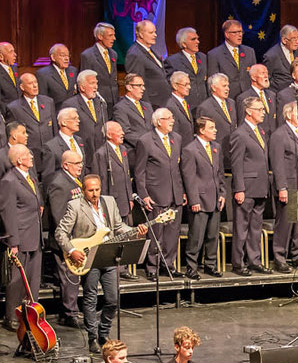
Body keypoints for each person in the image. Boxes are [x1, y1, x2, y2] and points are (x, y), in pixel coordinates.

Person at [56, 174, 143, 352]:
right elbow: (60, 232)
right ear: (83, 191)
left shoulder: (109, 202)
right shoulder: (75, 206)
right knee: (90, 298)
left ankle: (103, 333)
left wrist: (135, 231)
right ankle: (92, 337)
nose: (95, 194)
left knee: (112, 299)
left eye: (97, 189)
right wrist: (72, 250)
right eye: (90, 190)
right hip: (88, 256)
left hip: (108, 255)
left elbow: (119, 227)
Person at [135, 108, 187, 281]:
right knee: (156, 233)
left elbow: (179, 168)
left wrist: (182, 191)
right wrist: (144, 195)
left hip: (175, 193)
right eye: (168, 118)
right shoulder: (146, 141)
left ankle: (168, 265)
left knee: (172, 233)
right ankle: (153, 267)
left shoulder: (177, 139)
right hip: (156, 194)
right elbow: (139, 171)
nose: (172, 121)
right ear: (158, 122)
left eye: (172, 118)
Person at [0, 144, 44, 331]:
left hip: (34, 234)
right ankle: (11, 317)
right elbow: (7, 212)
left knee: (33, 279)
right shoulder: (9, 181)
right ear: (19, 160)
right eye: (28, 154)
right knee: (17, 280)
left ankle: (30, 314)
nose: (32, 157)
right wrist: (13, 242)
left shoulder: (30, 176)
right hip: (21, 237)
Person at [230, 96, 275, 275]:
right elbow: (236, 163)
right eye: (259, 109)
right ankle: (238, 263)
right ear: (249, 111)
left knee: (256, 228)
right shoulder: (240, 134)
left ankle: (254, 260)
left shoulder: (260, 131)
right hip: (247, 188)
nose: (263, 113)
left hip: (260, 186)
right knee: (241, 228)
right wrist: (239, 188)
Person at [180, 117, 226, 279]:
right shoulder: (190, 150)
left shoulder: (216, 147)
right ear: (201, 130)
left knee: (213, 235)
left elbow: (219, 174)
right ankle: (191, 267)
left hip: (214, 199)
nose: (215, 130)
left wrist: (222, 193)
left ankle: (210, 265)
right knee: (196, 236)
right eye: (212, 127)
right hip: (199, 200)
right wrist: (194, 200)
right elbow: (189, 177)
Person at [270, 101, 298, 271]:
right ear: (289, 114)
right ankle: (280, 257)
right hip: (288, 185)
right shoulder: (279, 135)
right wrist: (282, 187)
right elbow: (277, 163)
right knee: (286, 223)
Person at [46, 150, 86, 328]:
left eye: (80, 162)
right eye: (76, 163)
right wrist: (69, 243)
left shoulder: (73, 180)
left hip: (78, 239)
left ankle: (72, 310)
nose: (80, 166)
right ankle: (69, 313)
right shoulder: (59, 184)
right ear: (65, 165)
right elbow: (59, 215)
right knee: (69, 277)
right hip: (65, 241)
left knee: (74, 276)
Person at [7, 73, 58, 178]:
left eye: (36, 82)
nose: (35, 86)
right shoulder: (14, 108)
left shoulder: (48, 102)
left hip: (49, 157)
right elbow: (13, 138)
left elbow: (54, 129)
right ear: (22, 87)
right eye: (31, 83)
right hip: (30, 157)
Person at [91, 121, 134, 226]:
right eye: (119, 131)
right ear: (109, 134)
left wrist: (130, 198)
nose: (123, 133)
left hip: (126, 203)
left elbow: (127, 177)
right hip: (111, 202)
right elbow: (101, 181)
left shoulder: (123, 149)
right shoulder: (101, 154)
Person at [194, 73, 238, 167]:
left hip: (233, 151)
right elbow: (202, 134)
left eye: (228, 86)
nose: (228, 89)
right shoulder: (205, 107)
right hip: (217, 153)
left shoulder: (232, 103)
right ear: (213, 88)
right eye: (224, 86)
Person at [125, 19, 172, 107]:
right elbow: (137, 84)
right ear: (141, 34)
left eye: (155, 32)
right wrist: (146, 107)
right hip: (152, 104)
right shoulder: (135, 54)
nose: (155, 35)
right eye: (151, 33)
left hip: (162, 101)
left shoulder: (150, 51)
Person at [63, 70, 109, 154]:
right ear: (82, 87)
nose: (96, 87)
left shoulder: (101, 102)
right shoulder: (70, 104)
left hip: (100, 151)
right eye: (92, 83)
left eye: (96, 83)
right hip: (82, 151)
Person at [207, 20, 256, 97]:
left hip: (248, 97)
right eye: (235, 32)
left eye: (240, 32)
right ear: (227, 34)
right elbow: (213, 82)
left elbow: (254, 75)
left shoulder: (249, 51)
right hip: (228, 97)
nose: (240, 35)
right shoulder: (214, 54)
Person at [115, 73, 154, 167]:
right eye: (139, 85)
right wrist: (146, 144)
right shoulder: (120, 107)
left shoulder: (147, 106)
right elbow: (126, 132)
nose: (143, 89)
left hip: (152, 151)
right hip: (135, 151)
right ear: (129, 87)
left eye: (143, 85)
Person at [80, 22, 119, 107]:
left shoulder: (113, 54)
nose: (114, 38)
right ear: (100, 36)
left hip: (114, 101)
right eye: (110, 35)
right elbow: (85, 81)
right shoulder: (88, 55)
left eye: (114, 35)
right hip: (98, 101)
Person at [166, 27, 209, 105]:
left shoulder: (204, 57)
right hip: (186, 105)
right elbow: (169, 86)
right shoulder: (172, 61)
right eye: (193, 39)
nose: (197, 42)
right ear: (184, 44)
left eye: (197, 39)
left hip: (204, 105)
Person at [238, 64, 279, 134]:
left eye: (267, 73)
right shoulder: (244, 97)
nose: (266, 76)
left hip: (273, 138)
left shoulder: (272, 95)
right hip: (257, 137)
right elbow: (242, 123)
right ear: (254, 78)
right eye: (263, 73)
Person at [264, 24, 298, 91]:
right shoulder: (271, 56)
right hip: (280, 94)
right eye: (294, 39)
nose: (297, 41)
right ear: (284, 40)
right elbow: (267, 80)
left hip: (297, 93)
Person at [0, 42, 20, 110]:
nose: (15, 54)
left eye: (14, 51)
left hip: (19, 111)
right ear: (0, 56)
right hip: (8, 113)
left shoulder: (14, 68)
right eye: (11, 52)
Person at [166, 71, 195, 143]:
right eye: (185, 84)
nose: (189, 87)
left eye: (189, 84)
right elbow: (174, 133)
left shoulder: (184, 102)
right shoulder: (171, 106)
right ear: (175, 86)